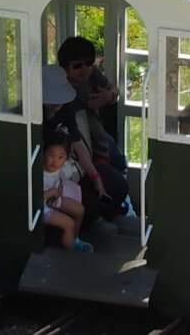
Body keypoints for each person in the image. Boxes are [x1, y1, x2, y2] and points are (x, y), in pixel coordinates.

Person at [43, 37, 130, 219]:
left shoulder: (68, 106)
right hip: (59, 165)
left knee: (118, 168)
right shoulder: (45, 114)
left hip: (88, 147)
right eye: (77, 66)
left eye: (89, 63)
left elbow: (77, 142)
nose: (85, 69)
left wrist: (110, 96)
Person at [37, 134, 90, 252]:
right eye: (51, 155)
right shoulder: (38, 171)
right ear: (44, 153)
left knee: (80, 210)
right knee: (69, 224)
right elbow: (33, 198)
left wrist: (58, 191)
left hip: (53, 199)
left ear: (66, 158)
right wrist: (51, 192)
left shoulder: (61, 167)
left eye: (60, 157)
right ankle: (70, 253)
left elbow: (61, 180)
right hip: (41, 207)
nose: (55, 161)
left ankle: (74, 240)